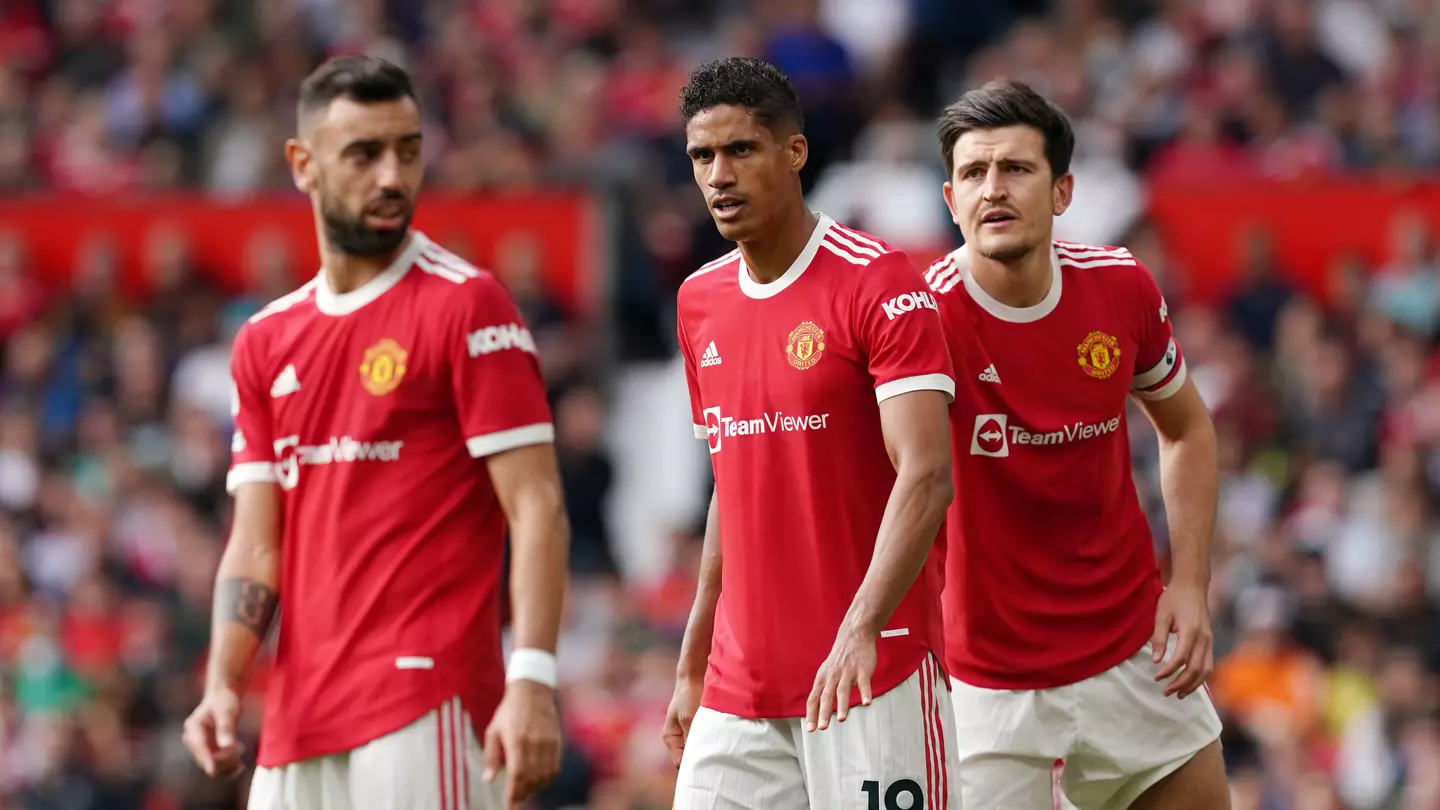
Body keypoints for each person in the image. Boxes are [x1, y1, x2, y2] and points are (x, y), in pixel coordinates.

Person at [180, 56, 569, 810]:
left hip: (428, 702)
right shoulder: (264, 341)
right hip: (296, 720)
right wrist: (222, 684)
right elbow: (257, 543)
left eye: (409, 150)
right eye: (364, 154)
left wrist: (533, 681)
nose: (393, 175)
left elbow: (538, 508)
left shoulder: (470, 307)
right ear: (304, 164)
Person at [662, 57, 960, 810]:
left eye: (741, 150)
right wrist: (693, 657)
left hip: (872, 672)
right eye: (703, 157)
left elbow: (926, 473)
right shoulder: (699, 301)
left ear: (793, 153)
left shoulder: (880, 282)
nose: (719, 176)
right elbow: (734, 485)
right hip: (741, 688)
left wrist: (860, 628)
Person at [924, 77, 1230, 810]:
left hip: (1135, 654)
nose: (993, 189)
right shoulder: (922, 320)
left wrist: (1189, 584)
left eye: (1016, 169)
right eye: (974, 173)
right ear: (950, 199)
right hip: (987, 687)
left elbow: (1187, 428)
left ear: (1062, 192)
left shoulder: (1119, 289)